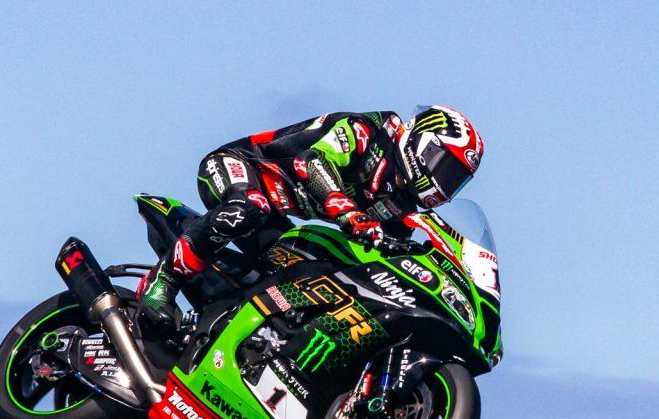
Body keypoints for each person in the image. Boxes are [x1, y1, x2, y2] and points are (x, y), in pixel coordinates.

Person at [135, 105, 484, 324]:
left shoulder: (401, 204)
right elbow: (312, 162)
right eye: (447, 168)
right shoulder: (367, 130)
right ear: (425, 145)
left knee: (295, 268)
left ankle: (216, 326)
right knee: (250, 207)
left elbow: (382, 256)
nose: (445, 184)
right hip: (238, 167)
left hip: (276, 213)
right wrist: (348, 212)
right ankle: (163, 280)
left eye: (456, 181)